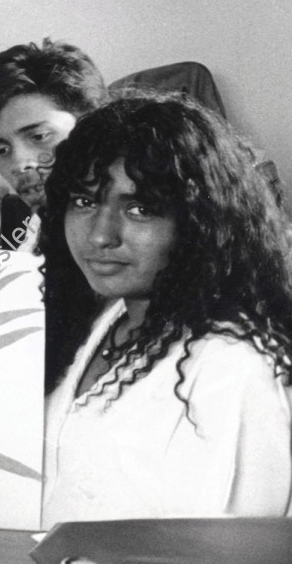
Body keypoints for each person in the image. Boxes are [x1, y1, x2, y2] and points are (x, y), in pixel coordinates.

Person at [41, 94, 292, 522]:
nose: (101, 235)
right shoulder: (109, 320)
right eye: (84, 201)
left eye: (139, 209)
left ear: (198, 223)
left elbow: (239, 551)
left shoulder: (229, 367)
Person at [0, 40, 106, 250]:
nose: (19, 163)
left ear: (91, 126)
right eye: (1, 150)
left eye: (39, 137)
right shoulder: (37, 224)